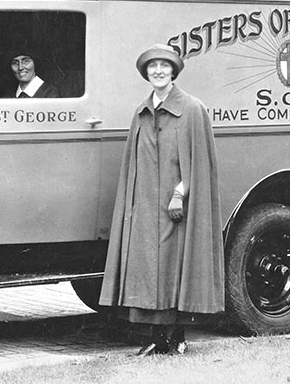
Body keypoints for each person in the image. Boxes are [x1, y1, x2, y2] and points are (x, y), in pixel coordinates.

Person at [98, 44, 225, 356]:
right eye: (152, 66)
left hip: (177, 205)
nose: (158, 71)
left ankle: (177, 336)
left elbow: (197, 163)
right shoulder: (141, 113)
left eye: (164, 66)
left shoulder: (192, 109)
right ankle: (158, 337)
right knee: (150, 271)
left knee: (175, 268)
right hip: (146, 208)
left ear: (173, 71)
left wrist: (180, 194)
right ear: (146, 73)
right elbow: (134, 165)